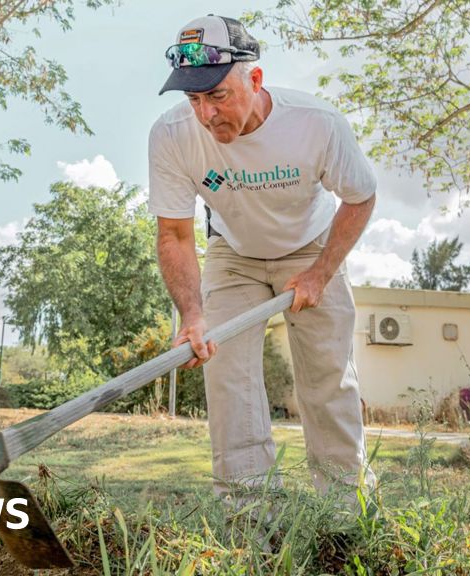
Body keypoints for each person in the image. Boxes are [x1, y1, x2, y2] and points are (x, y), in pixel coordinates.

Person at [147, 14, 378, 508]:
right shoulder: (171, 135)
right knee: (227, 377)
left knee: (327, 378)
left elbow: (361, 197)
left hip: (313, 247)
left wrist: (321, 273)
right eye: (194, 100)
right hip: (233, 255)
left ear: (254, 79)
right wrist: (192, 314)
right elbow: (174, 233)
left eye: (218, 96)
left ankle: (345, 512)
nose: (206, 115)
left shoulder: (316, 124)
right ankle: (249, 514)